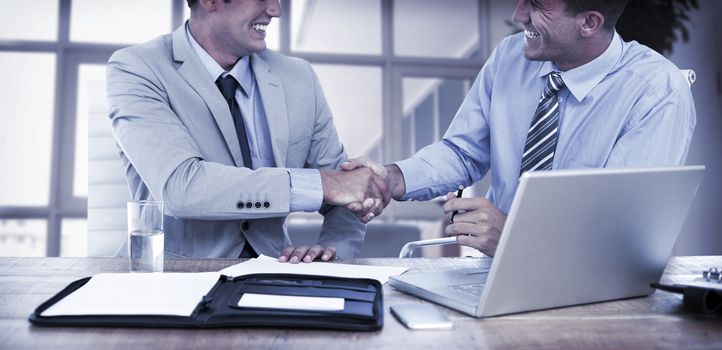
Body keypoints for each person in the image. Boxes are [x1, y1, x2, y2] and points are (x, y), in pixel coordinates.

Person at [343, 0, 696, 256]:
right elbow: (462, 152)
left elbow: (620, 234)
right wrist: (392, 178)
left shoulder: (656, 91)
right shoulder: (510, 57)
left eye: (537, 5)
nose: (517, 14)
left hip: (592, 292)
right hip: (492, 274)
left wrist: (514, 240)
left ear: (589, 22)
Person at [106, 0, 387, 263]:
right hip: (171, 278)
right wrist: (322, 185)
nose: (275, 10)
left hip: (273, 273)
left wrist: (331, 254)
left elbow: (347, 193)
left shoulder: (299, 78)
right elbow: (181, 189)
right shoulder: (138, 68)